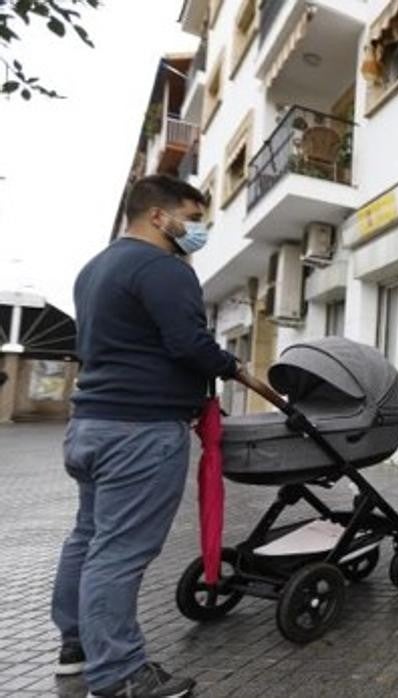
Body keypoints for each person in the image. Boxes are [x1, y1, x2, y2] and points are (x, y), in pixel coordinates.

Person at [51, 175, 247, 697]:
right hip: (140, 430)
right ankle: (117, 674)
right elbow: (188, 343)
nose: (200, 229)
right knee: (119, 551)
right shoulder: (165, 268)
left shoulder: (94, 269)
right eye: (194, 216)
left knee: (89, 537)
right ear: (159, 216)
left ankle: (77, 646)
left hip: (90, 422)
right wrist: (229, 364)